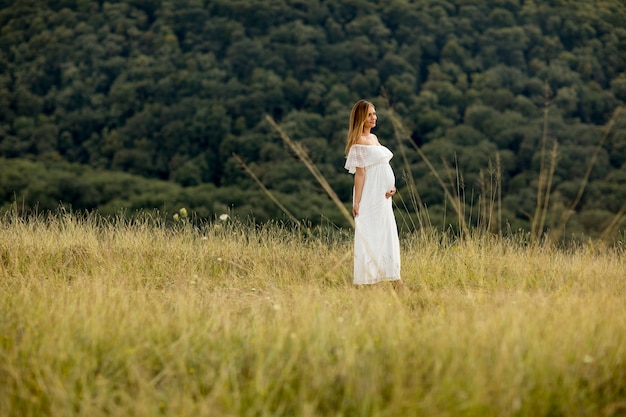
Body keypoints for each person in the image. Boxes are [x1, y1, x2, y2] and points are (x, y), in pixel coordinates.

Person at [344, 99, 402, 286]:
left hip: (384, 196)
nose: (374, 117)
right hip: (371, 195)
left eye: (374, 113)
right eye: (370, 114)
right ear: (361, 117)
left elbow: (382, 165)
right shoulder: (358, 141)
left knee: (387, 231)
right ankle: (367, 279)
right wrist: (357, 202)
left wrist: (391, 187)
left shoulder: (374, 138)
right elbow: (360, 173)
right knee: (371, 233)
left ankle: (392, 275)